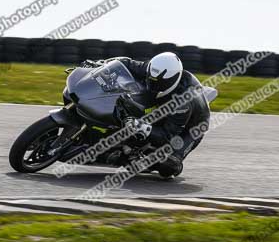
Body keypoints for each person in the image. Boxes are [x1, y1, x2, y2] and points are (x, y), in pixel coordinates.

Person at [83, 52, 211, 177]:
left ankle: (148, 160)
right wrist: (101, 65)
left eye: (159, 83)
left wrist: (144, 127)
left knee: (168, 166)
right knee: (129, 104)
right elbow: (126, 63)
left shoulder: (184, 102)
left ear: (172, 80)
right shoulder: (152, 69)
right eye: (151, 80)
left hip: (192, 127)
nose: (153, 85)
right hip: (163, 101)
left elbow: (167, 135)